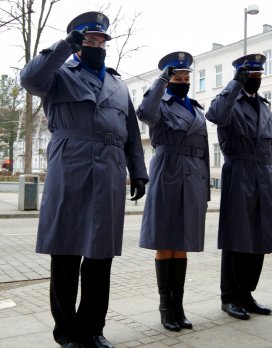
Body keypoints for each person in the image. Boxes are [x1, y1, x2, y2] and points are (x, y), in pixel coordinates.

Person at [20, 11, 148, 348]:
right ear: (78, 42)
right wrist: (63, 47)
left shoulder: (119, 85)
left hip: (109, 171)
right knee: (65, 252)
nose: (95, 44)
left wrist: (138, 171)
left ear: (106, 43)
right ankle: (66, 332)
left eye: (100, 39)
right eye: (88, 39)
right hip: (70, 166)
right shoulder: (58, 74)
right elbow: (29, 80)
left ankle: (93, 328)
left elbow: (132, 134)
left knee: (99, 255)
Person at [205, 53, 272, 320]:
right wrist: (233, 85)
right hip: (239, 174)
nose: (255, 80)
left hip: (265, 177)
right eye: (250, 75)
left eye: (258, 76)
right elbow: (215, 115)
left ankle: (246, 293)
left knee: (261, 239)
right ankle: (229, 297)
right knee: (237, 238)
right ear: (240, 76)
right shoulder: (229, 103)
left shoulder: (264, 107)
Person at [137, 52, 210, 331]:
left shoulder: (196, 108)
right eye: (177, 77)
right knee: (165, 241)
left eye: (186, 77)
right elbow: (144, 113)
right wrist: (160, 81)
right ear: (168, 80)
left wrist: (204, 189)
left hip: (192, 177)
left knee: (183, 243)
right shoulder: (160, 103)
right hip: (167, 171)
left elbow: (203, 150)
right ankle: (166, 307)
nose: (183, 81)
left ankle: (178, 307)